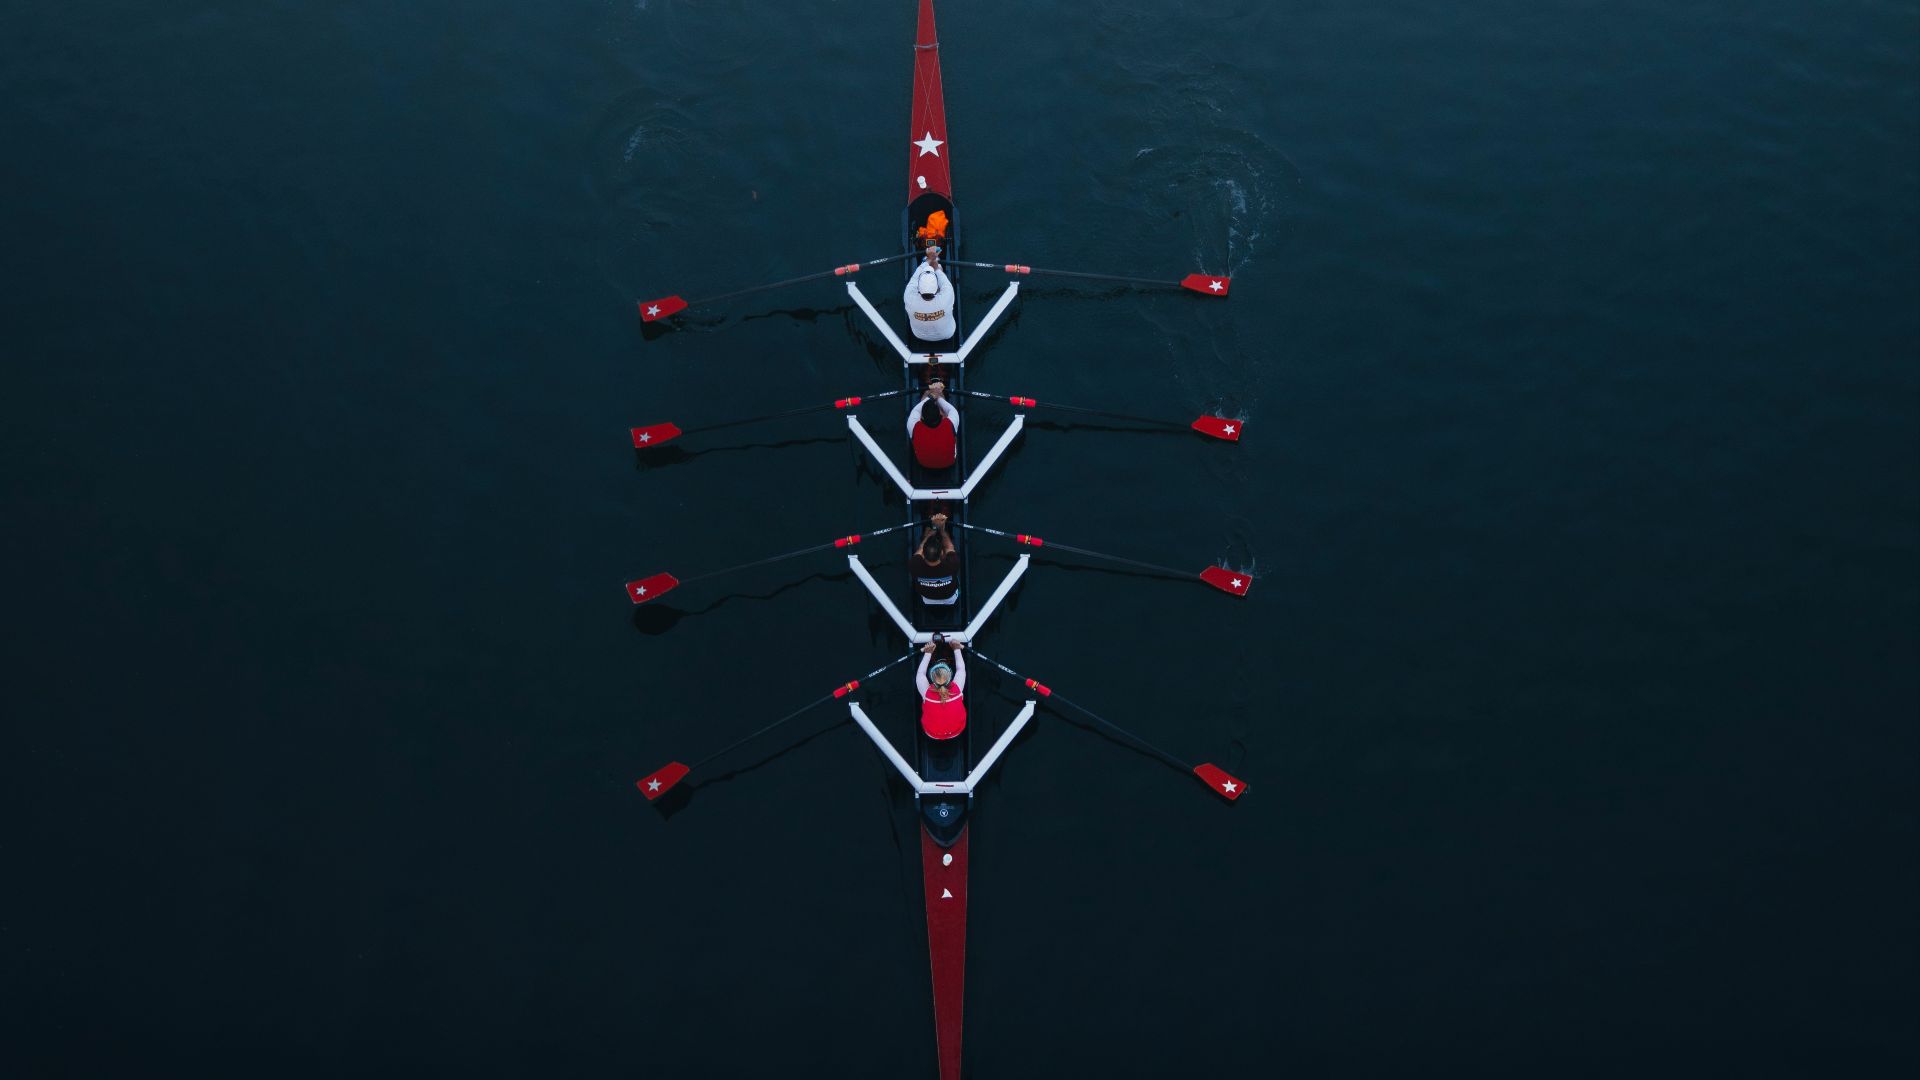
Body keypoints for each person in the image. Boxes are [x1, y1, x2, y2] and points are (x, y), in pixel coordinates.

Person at [917, 638, 967, 740]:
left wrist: (928, 653)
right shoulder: (956, 688)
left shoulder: (927, 693)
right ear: (950, 676)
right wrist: (956, 649)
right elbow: (961, 669)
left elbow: (920, 673)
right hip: (957, 731)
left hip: (931, 733)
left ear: (931, 678)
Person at [903, 251, 956, 341]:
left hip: (918, 335)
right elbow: (943, 280)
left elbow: (915, 277)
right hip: (947, 333)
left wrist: (928, 260)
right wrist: (936, 265)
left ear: (919, 286)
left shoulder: (909, 296)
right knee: (939, 268)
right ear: (936, 288)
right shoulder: (947, 293)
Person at [906, 379, 959, 469]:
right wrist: (938, 395)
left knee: (926, 393)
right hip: (949, 462)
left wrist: (931, 394)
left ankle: (927, 392)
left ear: (922, 417)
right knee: (950, 424)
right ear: (940, 415)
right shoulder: (950, 422)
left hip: (923, 463)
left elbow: (916, 410)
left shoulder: (913, 424)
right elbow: (950, 409)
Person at [910, 513, 959, 608]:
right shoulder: (953, 563)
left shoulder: (914, 563)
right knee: (948, 548)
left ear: (923, 554)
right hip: (950, 598)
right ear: (941, 553)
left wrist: (929, 534)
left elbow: (920, 548)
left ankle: (929, 526)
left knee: (927, 531)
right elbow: (949, 546)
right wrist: (941, 528)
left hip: (927, 599)